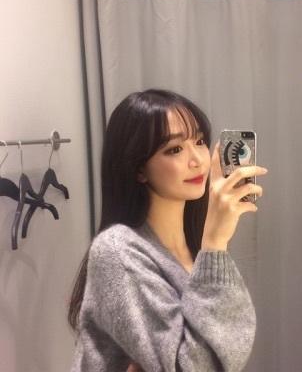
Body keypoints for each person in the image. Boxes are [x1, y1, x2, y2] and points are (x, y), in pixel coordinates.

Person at [68, 89, 268, 372]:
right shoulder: (116, 251)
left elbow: (230, 351)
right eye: (174, 149)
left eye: (199, 141)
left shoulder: (193, 249)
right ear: (139, 169)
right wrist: (215, 242)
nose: (197, 160)